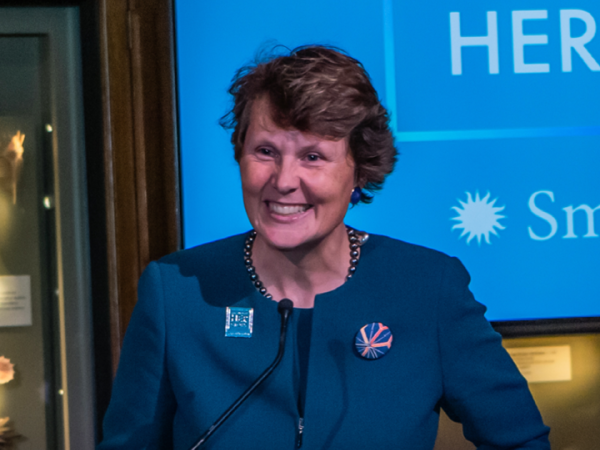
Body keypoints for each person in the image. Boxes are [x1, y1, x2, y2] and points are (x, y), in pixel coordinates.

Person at [98, 46, 550, 449]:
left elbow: (521, 440)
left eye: (312, 157)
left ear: (359, 171)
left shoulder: (428, 288)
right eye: (265, 151)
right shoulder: (176, 293)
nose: (283, 180)